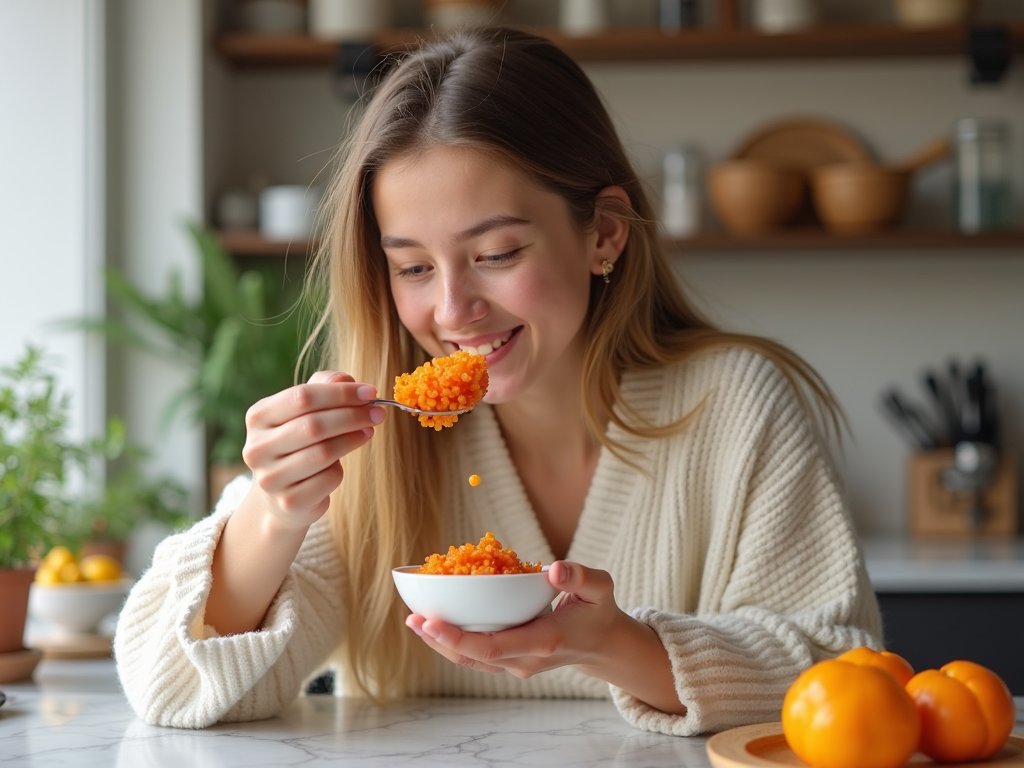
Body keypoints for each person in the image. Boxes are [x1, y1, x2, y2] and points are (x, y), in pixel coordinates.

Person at [114, 26, 882, 734]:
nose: (452, 310)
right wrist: (273, 513)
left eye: (498, 254)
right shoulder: (374, 441)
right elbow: (169, 692)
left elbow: (848, 681)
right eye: (413, 266)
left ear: (604, 233)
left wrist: (617, 645)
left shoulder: (734, 407)